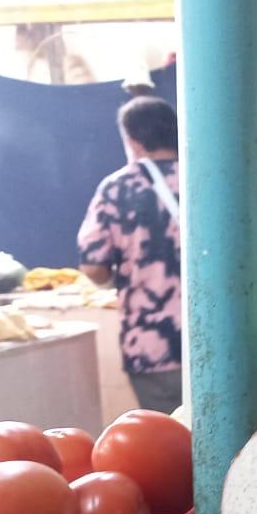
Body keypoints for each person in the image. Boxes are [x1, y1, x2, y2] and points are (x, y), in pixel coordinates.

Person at [77, 96, 183, 413]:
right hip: (224, 338)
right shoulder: (213, 177)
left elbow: (93, 264)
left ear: (133, 142)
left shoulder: (117, 188)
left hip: (153, 346)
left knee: (169, 446)